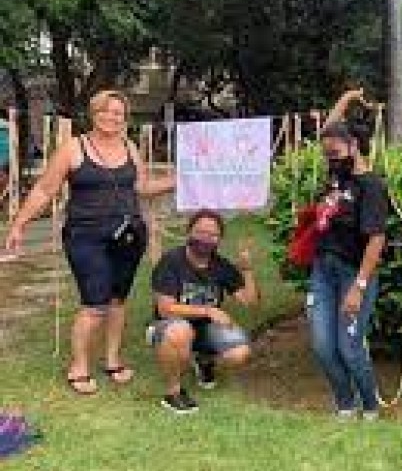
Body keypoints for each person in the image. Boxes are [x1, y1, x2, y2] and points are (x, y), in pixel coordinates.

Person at [4, 90, 174, 395]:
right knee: (95, 302)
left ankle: (112, 360)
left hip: (129, 234)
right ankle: (79, 367)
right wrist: (19, 224)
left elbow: (142, 187)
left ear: (125, 117)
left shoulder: (130, 147)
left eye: (118, 113)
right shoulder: (73, 148)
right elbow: (44, 190)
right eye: (105, 111)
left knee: (117, 300)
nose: (111, 117)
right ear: (93, 114)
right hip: (85, 237)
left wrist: (181, 180)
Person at [306, 88, 389, 421]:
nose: (330, 158)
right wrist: (348, 97)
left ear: (354, 146)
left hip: (354, 273)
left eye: (335, 153)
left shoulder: (371, 186)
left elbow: (376, 240)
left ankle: (369, 406)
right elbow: (330, 128)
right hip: (322, 271)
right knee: (322, 346)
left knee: (349, 347)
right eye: (327, 154)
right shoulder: (336, 174)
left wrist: (359, 286)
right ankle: (344, 403)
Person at [148, 209, 259, 414]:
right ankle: (173, 392)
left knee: (239, 353)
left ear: (219, 239)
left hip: (205, 330)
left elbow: (249, 302)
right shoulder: (171, 261)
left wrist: (247, 269)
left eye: (212, 234)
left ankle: (204, 359)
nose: (206, 238)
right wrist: (207, 311)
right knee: (180, 331)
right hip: (170, 325)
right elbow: (165, 309)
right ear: (189, 232)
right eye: (200, 232)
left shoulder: (221, 265)